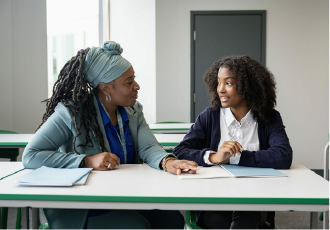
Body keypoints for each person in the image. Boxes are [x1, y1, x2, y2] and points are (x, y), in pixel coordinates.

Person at [22, 41, 199, 229]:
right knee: (137, 227)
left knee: (173, 220)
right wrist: (86, 161)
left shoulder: (133, 110)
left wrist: (167, 161)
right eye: (129, 82)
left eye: (134, 79)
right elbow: (31, 155)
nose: (137, 86)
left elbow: (148, 147)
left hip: (125, 195)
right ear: (106, 88)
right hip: (84, 205)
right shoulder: (71, 112)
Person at [173, 55, 292, 229]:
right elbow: (181, 151)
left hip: (256, 199)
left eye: (228, 83)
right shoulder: (210, 116)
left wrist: (234, 158)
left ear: (248, 86)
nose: (220, 89)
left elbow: (283, 156)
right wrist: (214, 157)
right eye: (219, 82)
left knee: (248, 213)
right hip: (215, 201)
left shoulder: (269, 118)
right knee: (227, 222)